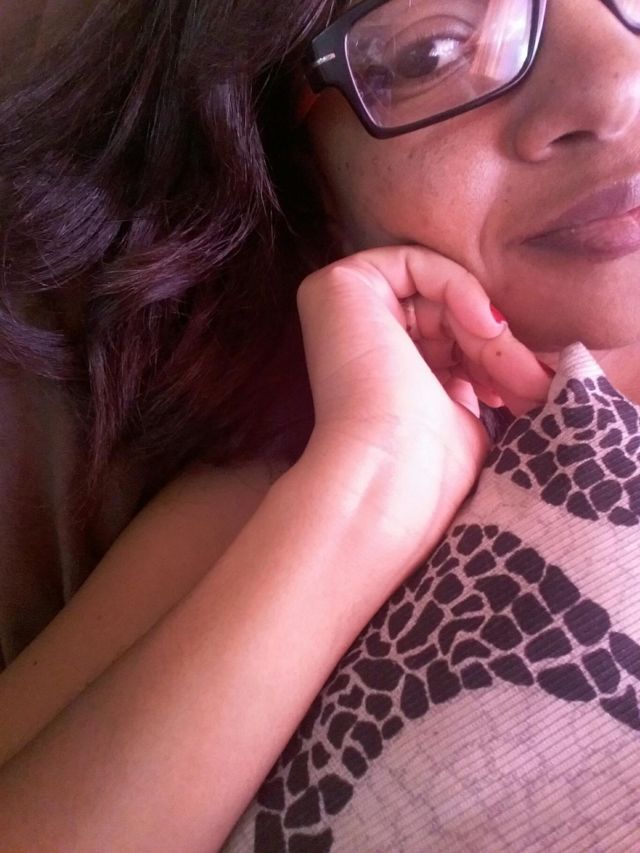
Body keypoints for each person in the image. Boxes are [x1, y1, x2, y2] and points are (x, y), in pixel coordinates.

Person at [0, 0, 639, 849]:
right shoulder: (283, 490)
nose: (615, 87)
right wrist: (375, 486)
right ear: (311, 174)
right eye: (433, 50)